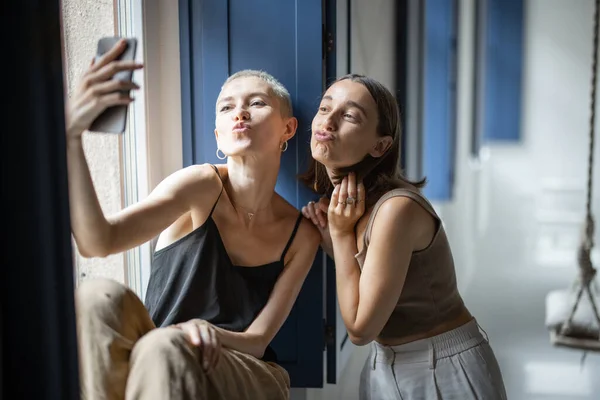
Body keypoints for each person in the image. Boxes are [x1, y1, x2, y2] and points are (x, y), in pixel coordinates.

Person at [66, 39, 320, 400]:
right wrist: (70, 138)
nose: (240, 113)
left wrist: (204, 333)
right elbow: (98, 242)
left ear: (288, 129)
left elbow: (259, 340)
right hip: (161, 355)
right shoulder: (200, 184)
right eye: (227, 107)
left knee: (165, 347)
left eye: (257, 103)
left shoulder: (301, 234)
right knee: (95, 297)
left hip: (246, 366)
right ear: (218, 134)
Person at [301, 74, 507, 399]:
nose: (329, 120)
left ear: (380, 145)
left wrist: (340, 237)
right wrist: (333, 241)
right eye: (325, 108)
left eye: (350, 115)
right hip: (384, 366)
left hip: (443, 368)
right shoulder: (351, 206)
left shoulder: (396, 209)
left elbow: (360, 329)